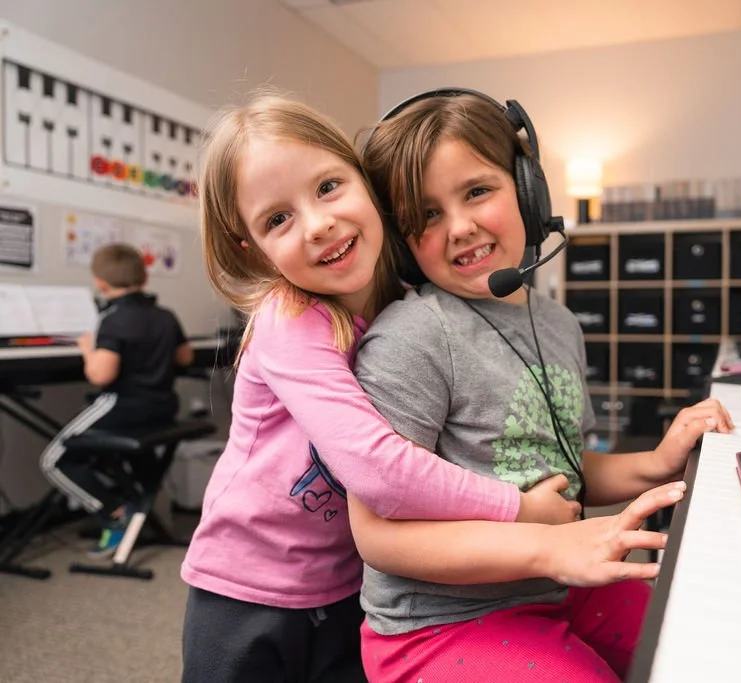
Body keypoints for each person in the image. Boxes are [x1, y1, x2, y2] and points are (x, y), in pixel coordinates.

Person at [180, 90, 676, 683]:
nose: (318, 224)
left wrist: (654, 464)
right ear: (252, 247)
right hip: (249, 583)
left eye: (329, 187)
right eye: (277, 219)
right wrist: (522, 513)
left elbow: (546, 457)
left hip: (339, 579)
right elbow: (379, 470)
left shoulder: (399, 305)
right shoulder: (295, 319)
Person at [354, 88, 733, 682]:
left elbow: (566, 466)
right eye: (427, 215)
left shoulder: (556, 322)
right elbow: (378, 538)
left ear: (529, 192)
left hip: (555, 586)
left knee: (696, 650)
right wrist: (553, 548)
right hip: (439, 623)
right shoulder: (410, 339)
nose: (460, 227)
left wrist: (661, 460)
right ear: (402, 243)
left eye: (477, 191)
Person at [40, 242, 193, 557]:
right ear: (144, 278)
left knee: (54, 460)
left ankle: (113, 512)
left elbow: (101, 375)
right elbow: (186, 357)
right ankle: (137, 504)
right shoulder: (165, 316)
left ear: (100, 282)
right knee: (113, 452)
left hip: (123, 407)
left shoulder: (113, 320)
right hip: (162, 407)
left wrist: (87, 348)